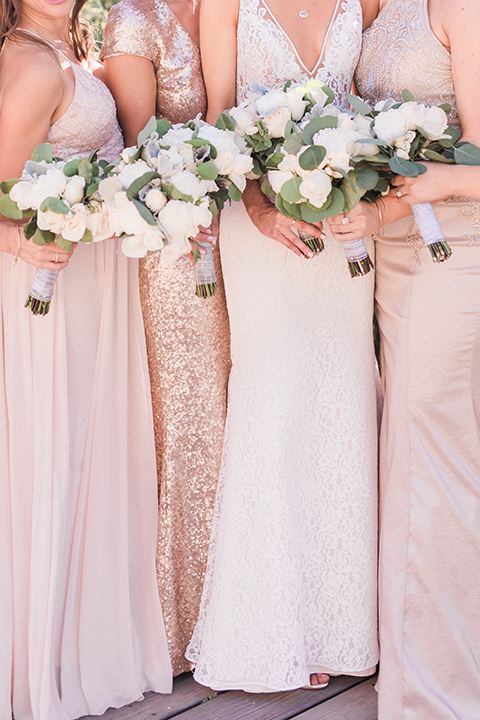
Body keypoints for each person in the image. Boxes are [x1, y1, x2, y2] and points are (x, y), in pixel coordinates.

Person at [186, 0, 381, 692]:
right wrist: (262, 209)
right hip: (259, 226)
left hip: (343, 228)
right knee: (273, 403)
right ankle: (271, 629)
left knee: (342, 401)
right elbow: (218, 122)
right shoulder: (228, 6)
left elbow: (370, 100)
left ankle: (341, 623)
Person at [0, 1, 172, 717]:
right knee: (57, 453)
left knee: (89, 451)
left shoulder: (61, 49)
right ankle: (42, 657)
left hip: (94, 277)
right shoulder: (33, 64)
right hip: (51, 281)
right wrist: (16, 244)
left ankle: (82, 641)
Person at [328, 0, 480, 716]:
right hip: (393, 255)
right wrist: (370, 209)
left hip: (455, 255)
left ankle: (438, 691)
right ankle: (422, 657)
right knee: (411, 451)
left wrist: (437, 181)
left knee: (434, 454)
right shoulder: (374, 12)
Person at [100, 0, 231, 675]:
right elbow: (138, 155)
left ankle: (244, 608)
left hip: (238, 236)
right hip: (173, 245)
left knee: (240, 412)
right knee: (190, 418)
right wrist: (192, 208)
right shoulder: (133, 19)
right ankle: (183, 625)